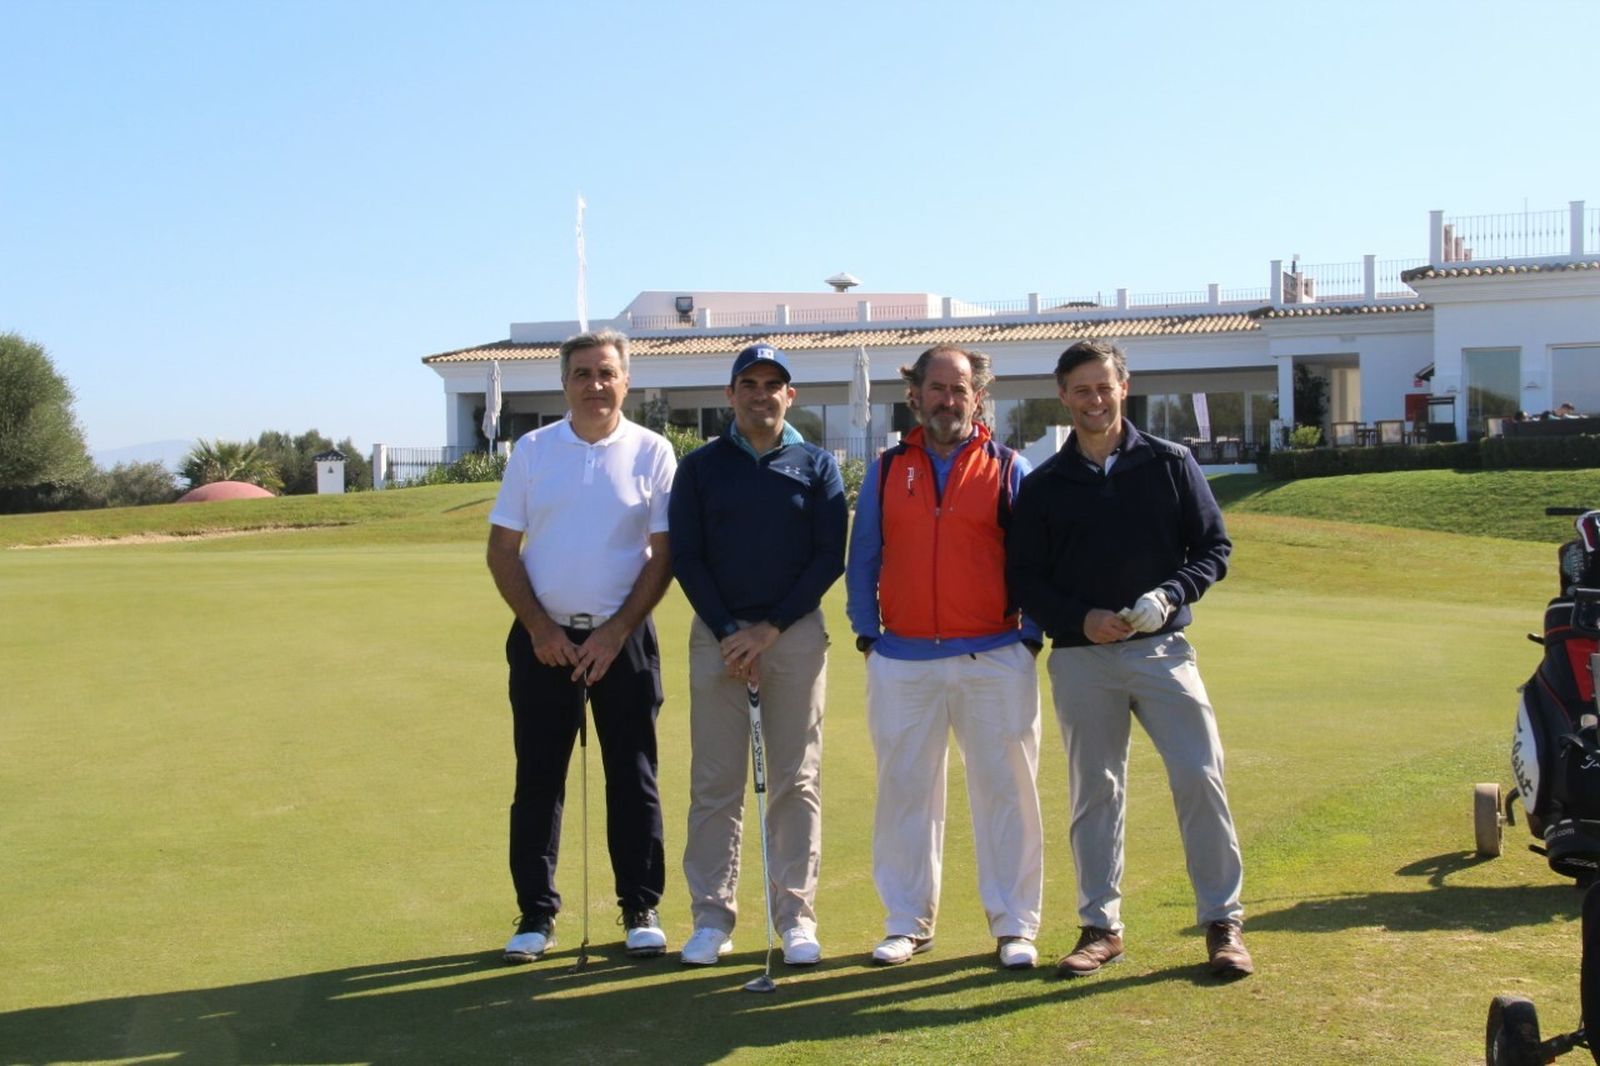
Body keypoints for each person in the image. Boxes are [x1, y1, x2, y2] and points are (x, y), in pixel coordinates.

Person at [1006, 338, 1253, 980]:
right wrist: (1078, 618)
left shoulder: (1170, 463)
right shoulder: (1044, 486)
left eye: (1104, 387)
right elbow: (1025, 579)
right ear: (1063, 396)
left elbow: (1214, 549)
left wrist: (1171, 594)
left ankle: (1223, 923)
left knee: (1200, 775)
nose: (1094, 399)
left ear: (1124, 387)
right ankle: (1099, 926)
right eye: (1081, 389)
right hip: (1083, 659)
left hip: (1163, 650)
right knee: (1096, 792)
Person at [845, 344, 1045, 971]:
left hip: (994, 653)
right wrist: (868, 633)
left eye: (961, 389)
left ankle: (1014, 924)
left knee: (1007, 793)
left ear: (977, 396)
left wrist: (1029, 634)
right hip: (902, 658)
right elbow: (865, 558)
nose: (948, 400)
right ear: (916, 395)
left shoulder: (1009, 467)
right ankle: (907, 922)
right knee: (905, 792)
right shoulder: (884, 469)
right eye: (937, 388)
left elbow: (1035, 561)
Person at [485, 329, 677, 964]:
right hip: (544, 642)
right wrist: (540, 629)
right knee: (538, 779)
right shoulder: (535, 451)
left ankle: (640, 905)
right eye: (583, 374)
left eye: (607, 373)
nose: (596, 384)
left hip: (623, 640)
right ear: (564, 382)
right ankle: (536, 914)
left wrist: (616, 631)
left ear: (625, 380)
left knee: (634, 776)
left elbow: (663, 555)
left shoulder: (653, 452)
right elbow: (502, 550)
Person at [668, 343, 848, 967]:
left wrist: (768, 630)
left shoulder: (817, 464)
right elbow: (686, 557)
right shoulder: (700, 468)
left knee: (795, 781)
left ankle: (795, 915)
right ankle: (711, 919)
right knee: (716, 782)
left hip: (792, 634)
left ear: (789, 396)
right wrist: (726, 631)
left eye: (774, 384)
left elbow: (829, 557)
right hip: (717, 636)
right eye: (749, 382)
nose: (761, 393)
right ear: (731, 394)